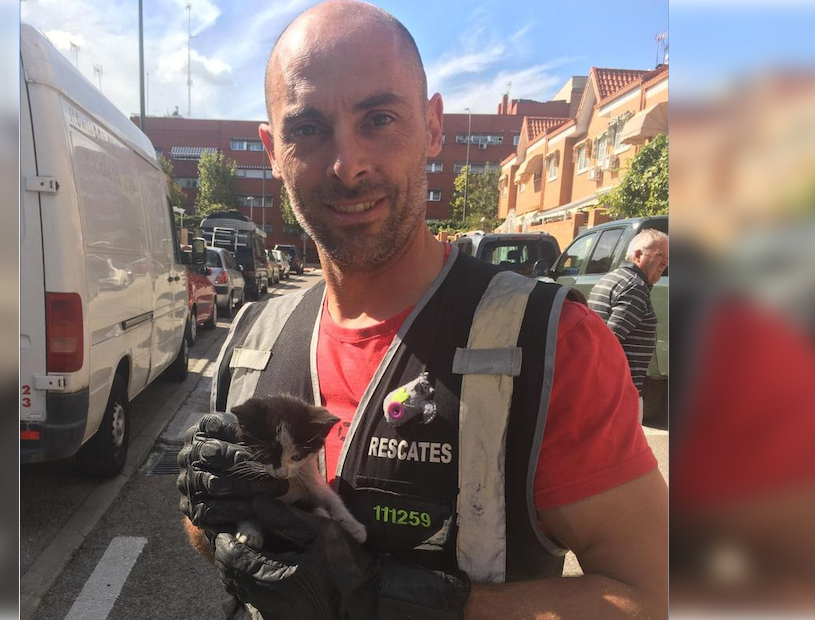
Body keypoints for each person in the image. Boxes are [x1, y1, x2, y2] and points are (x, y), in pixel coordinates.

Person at [177, 2, 667, 618]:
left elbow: (651, 595)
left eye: (378, 118)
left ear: (433, 127)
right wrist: (203, 508)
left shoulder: (552, 345)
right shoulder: (254, 340)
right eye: (308, 129)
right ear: (273, 152)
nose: (347, 164)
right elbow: (211, 534)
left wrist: (404, 601)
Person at [587, 229, 668, 401]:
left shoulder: (611, 278)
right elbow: (609, 341)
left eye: (668, 259)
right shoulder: (635, 288)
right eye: (660, 255)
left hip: (605, 388)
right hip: (619, 393)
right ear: (638, 255)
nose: (665, 264)